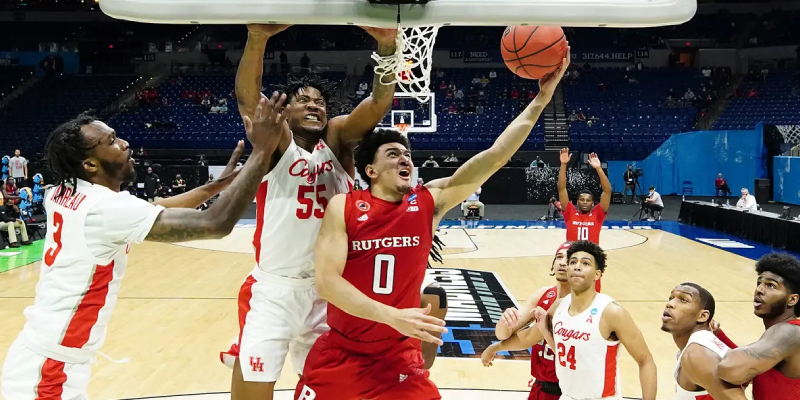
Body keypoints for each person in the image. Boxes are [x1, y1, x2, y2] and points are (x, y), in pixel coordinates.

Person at [295, 49, 570, 400]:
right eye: (392, 154)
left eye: (407, 154)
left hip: (396, 354)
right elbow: (328, 283)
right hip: (343, 351)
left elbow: (497, 155)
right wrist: (391, 315)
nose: (404, 158)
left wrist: (541, 99)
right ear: (371, 171)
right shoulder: (344, 206)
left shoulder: (428, 201)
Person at [0, 95, 286, 400]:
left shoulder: (61, 191)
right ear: (90, 164)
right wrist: (263, 152)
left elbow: (149, 210)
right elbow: (215, 224)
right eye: (111, 141)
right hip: (49, 370)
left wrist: (212, 187)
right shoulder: (105, 209)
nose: (123, 143)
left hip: (42, 357)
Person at [223, 24, 406, 400]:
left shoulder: (337, 139)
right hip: (275, 291)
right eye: (303, 100)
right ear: (284, 110)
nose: (315, 105)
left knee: (332, 392)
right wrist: (257, 38)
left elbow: (376, 104)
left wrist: (387, 47)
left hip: (330, 291)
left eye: (320, 101)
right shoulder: (275, 142)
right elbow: (246, 99)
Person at [481, 240, 657, 400]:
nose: (577, 267)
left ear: (597, 274)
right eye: (573, 262)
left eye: (585, 263)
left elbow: (645, 360)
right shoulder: (558, 307)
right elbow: (532, 339)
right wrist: (495, 347)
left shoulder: (611, 312)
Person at [491, 242, 572, 400]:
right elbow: (503, 334)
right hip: (541, 387)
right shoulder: (543, 294)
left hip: (569, 390)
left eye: (569, 259)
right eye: (559, 257)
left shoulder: (584, 303)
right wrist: (504, 323)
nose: (562, 262)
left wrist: (493, 349)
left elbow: (529, 337)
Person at [716, 253, 800, 399]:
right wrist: (717, 334)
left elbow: (731, 369)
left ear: (792, 299)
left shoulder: (789, 333)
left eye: (771, 286)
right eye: (759, 283)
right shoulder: (784, 332)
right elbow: (754, 361)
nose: (759, 290)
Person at [661, 283, 746, 400]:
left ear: (702, 316)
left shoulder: (698, 354)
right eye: (671, 298)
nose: (670, 304)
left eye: (683, 300)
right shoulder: (701, 345)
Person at [557, 150, 611, 291]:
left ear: (593, 203)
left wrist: (599, 168)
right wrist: (563, 165)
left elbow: (607, 191)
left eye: (588, 200)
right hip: (572, 259)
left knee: (593, 297)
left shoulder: (598, 214)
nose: (585, 202)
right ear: (577, 202)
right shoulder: (569, 212)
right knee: (568, 296)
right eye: (582, 199)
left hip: (591, 261)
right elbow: (561, 188)